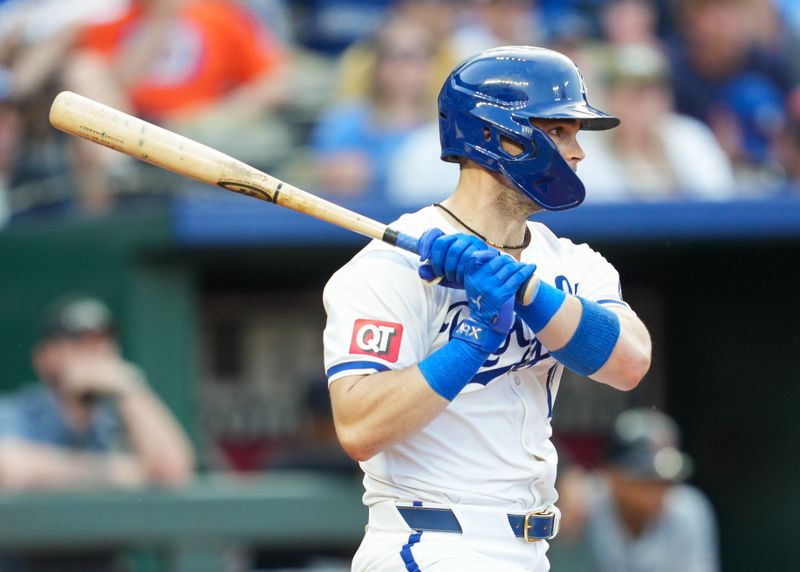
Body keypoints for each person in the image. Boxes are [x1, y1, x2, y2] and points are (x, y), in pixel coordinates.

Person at [322, 46, 652, 570]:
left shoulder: (570, 262)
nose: (578, 152)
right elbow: (360, 427)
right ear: (498, 135)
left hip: (529, 548)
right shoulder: (392, 265)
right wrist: (473, 338)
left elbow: (629, 363)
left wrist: (527, 292)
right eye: (560, 131)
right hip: (430, 540)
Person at [0, 296, 194, 490]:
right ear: (45, 357)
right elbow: (8, 466)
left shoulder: (118, 416)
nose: (96, 352)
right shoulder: (17, 410)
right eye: (79, 342)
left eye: (104, 340)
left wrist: (130, 388)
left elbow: (173, 470)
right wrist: (112, 470)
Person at [554, 408, 720, 572]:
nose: (661, 491)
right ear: (613, 475)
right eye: (648, 480)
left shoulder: (688, 509)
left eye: (666, 481)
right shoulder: (585, 502)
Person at [578, 44, 737, 201]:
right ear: (609, 98)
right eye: (633, 97)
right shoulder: (585, 151)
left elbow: (719, 199)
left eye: (653, 95)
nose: (645, 105)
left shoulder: (690, 136)